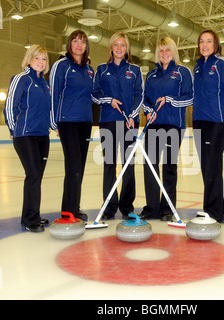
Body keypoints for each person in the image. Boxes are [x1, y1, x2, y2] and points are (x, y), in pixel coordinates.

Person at [140, 37, 193, 220]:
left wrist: (169, 99)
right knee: (150, 166)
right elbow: (145, 99)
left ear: (173, 52)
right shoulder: (152, 75)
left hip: (173, 126)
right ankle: (152, 207)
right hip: (153, 125)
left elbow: (190, 98)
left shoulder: (183, 72)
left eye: (167, 50)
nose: (164, 54)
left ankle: (168, 207)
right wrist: (148, 111)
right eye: (161, 51)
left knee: (169, 166)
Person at [4, 44, 56, 232]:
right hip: (25, 135)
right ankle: (30, 219)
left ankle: (31, 215)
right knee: (33, 174)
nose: (41, 62)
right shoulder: (21, 79)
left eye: (44, 59)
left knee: (36, 176)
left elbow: (48, 110)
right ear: (29, 59)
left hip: (43, 136)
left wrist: (54, 127)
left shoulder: (45, 84)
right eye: (37, 58)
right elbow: (10, 105)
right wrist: (12, 127)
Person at [93, 32, 144, 220]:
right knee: (109, 164)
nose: (120, 48)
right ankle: (109, 206)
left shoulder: (135, 70)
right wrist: (108, 100)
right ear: (111, 47)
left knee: (128, 165)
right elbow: (94, 94)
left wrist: (132, 114)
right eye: (116, 45)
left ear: (127, 48)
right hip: (108, 121)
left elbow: (140, 94)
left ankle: (127, 206)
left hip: (130, 123)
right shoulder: (101, 69)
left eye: (123, 45)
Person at [49, 30, 96, 222]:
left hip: (85, 122)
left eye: (83, 42)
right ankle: (69, 210)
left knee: (79, 166)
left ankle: (72, 207)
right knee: (73, 165)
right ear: (70, 44)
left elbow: (93, 95)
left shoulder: (89, 70)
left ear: (86, 46)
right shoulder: (61, 66)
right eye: (75, 41)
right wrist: (54, 122)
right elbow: (53, 93)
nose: (79, 45)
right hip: (67, 121)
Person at [192, 29, 224, 222]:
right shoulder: (197, 67)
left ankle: (214, 212)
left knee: (212, 166)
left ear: (216, 44)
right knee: (207, 167)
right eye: (201, 41)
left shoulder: (223, 64)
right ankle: (213, 208)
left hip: (216, 122)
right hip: (198, 121)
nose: (204, 45)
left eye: (208, 41)